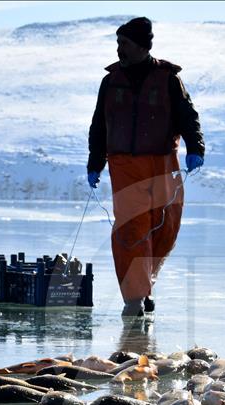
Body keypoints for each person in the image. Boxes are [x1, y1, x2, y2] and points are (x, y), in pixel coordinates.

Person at [87, 17, 205, 317]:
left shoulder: (167, 79)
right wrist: (95, 162)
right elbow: (99, 125)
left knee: (164, 229)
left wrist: (196, 147)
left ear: (141, 46)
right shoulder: (110, 82)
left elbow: (187, 116)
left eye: (124, 44)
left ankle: (145, 284)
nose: (119, 50)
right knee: (131, 228)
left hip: (163, 162)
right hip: (124, 164)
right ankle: (134, 299)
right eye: (117, 43)